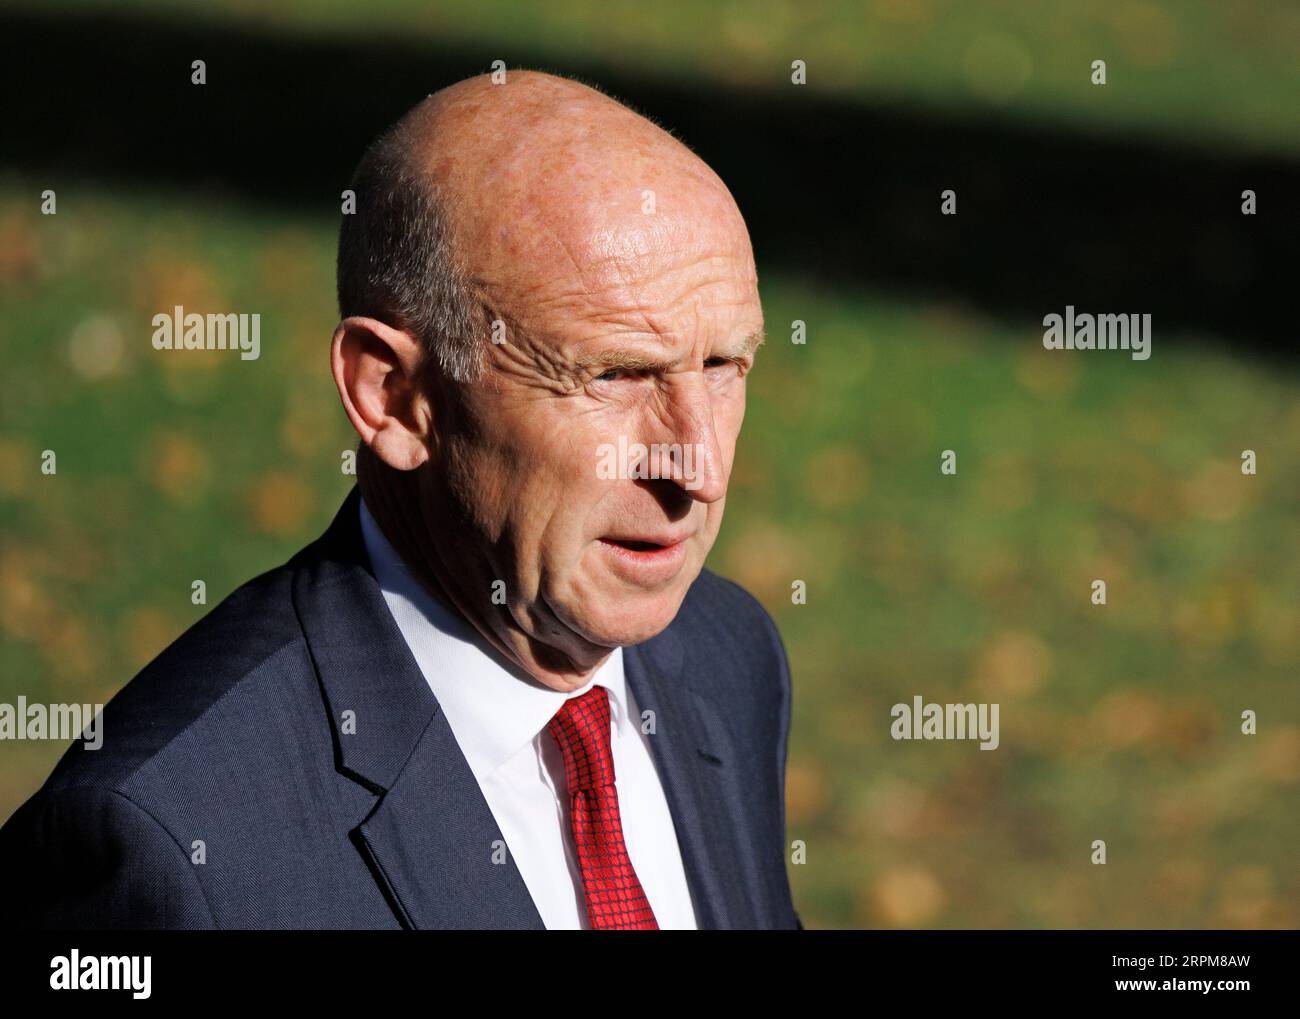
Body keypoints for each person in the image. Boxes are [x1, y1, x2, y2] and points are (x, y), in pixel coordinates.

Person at [0, 70, 801, 930]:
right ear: (392, 395)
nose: (702, 469)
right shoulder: (166, 848)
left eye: (723, 366)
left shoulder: (725, 655)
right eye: (615, 374)